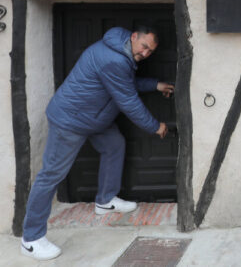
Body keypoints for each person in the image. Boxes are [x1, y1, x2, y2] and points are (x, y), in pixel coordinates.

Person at [20, 25, 174, 260]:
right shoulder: (113, 58)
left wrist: (155, 84)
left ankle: (105, 200)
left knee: (114, 145)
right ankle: (31, 239)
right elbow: (128, 101)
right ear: (134, 37)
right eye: (144, 47)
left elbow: (124, 83)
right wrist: (156, 126)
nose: (145, 54)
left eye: (150, 51)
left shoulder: (120, 51)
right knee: (51, 175)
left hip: (93, 119)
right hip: (71, 120)